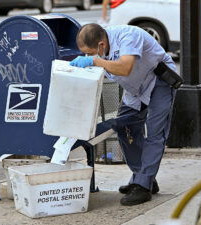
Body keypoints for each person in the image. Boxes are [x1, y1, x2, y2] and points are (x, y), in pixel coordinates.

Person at [70, 23, 177, 206]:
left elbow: (125, 67)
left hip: (158, 81)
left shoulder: (128, 36)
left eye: (90, 53)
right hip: (135, 88)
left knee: (154, 133)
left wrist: (95, 61)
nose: (88, 57)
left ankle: (143, 187)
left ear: (101, 45)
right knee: (124, 128)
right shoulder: (101, 48)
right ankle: (142, 177)